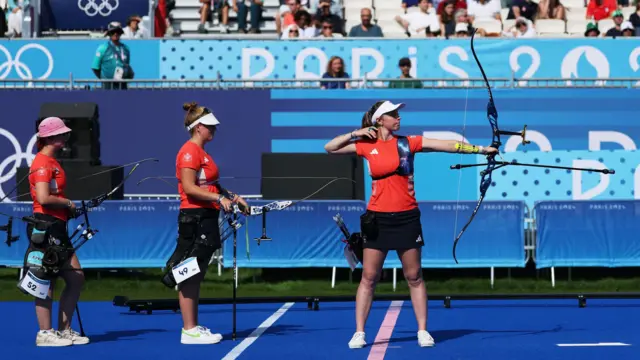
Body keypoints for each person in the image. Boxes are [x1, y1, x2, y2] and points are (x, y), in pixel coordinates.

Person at [323, 101, 497, 349]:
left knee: (414, 276)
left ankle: (423, 330)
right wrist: (355, 133)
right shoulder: (366, 145)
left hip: (407, 217)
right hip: (377, 219)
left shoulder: (408, 142)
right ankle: (359, 332)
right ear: (380, 119)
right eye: (393, 114)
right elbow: (329, 148)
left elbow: (445, 145)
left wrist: (480, 149)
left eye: (398, 114)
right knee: (369, 277)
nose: (398, 118)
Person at [161, 102, 250, 344]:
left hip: (206, 216)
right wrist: (218, 198)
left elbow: (211, 185)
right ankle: (189, 329)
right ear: (198, 127)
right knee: (189, 272)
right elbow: (189, 188)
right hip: (195, 217)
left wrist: (232, 196)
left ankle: (192, 326)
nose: (214, 131)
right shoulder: (189, 152)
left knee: (196, 272)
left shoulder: (203, 153)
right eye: (210, 127)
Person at [24, 117, 89, 346]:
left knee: (75, 277)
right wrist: (67, 203)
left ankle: (64, 329)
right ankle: (45, 332)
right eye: (61, 134)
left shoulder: (52, 162)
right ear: (50, 138)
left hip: (56, 225)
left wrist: (66, 209)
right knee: (46, 279)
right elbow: (43, 198)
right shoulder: (43, 163)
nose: (65, 137)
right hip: (45, 225)